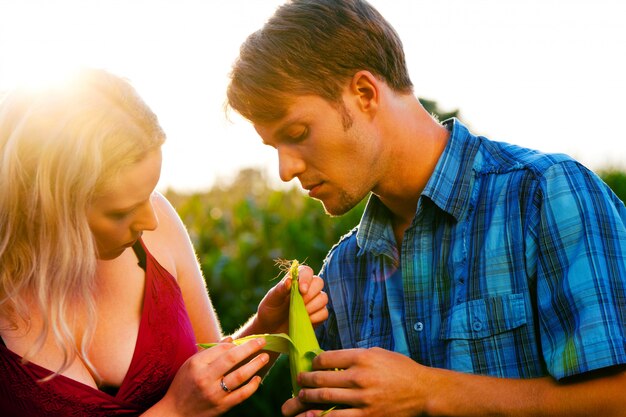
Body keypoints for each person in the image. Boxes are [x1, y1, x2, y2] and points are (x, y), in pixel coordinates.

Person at [225, 0, 626, 416]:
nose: (285, 169)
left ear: (364, 93)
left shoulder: (545, 195)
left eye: (297, 133)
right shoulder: (342, 271)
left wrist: (427, 392)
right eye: (275, 147)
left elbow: (617, 399)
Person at [0, 68, 328, 417]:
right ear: (46, 207)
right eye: (121, 212)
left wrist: (267, 328)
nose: (150, 220)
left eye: (150, 193)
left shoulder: (158, 231)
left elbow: (208, 381)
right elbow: (189, 404)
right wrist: (175, 411)